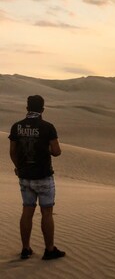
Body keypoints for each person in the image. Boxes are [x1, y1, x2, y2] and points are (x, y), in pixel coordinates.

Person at [9, 95, 65, 260]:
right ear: (42, 109)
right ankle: (49, 249)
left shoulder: (16, 127)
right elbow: (57, 151)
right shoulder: (47, 127)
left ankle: (25, 249)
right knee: (46, 212)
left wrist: (19, 168)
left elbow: (12, 152)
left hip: (25, 176)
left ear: (27, 108)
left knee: (27, 210)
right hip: (43, 176)